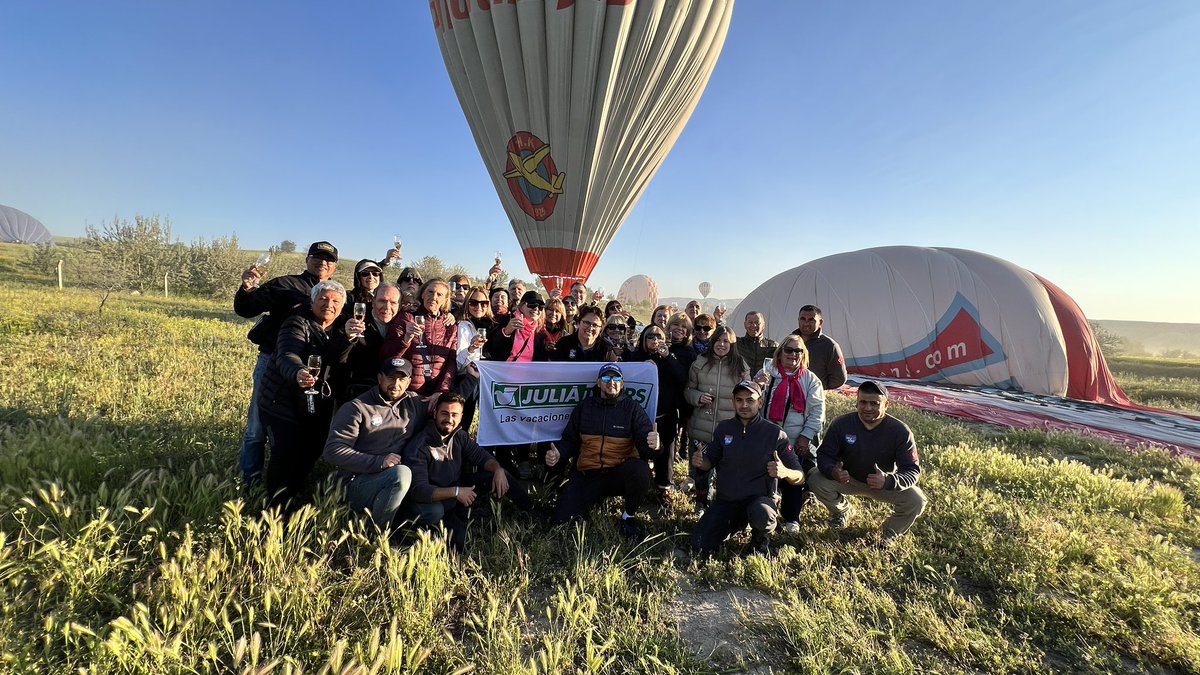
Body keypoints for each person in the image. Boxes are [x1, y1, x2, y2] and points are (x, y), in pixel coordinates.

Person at [234, 240, 338, 485]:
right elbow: (247, 309)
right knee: (257, 426)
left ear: (334, 266)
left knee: (300, 424)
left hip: (312, 369)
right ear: (307, 260)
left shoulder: (334, 293)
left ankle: (291, 479)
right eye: (317, 256)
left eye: (329, 259)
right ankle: (251, 480)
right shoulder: (285, 284)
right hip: (273, 362)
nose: (323, 262)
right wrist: (247, 289)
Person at [258, 280, 353, 507]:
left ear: (342, 306)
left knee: (312, 450)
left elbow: (335, 359)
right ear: (312, 301)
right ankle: (276, 507)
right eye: (323, 299)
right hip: (281, 401)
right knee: (285, 454)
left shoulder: (341, 327)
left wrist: (347, 339)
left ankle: (294, 493)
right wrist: (298, 372)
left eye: (335, 301)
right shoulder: (296, 323)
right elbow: (287, 355)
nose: (329, 305)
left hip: (316, 403)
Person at [402, 393, 534, 552]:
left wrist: (498, 469)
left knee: (500, 473)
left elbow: (481, 457)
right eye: (444, 413)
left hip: (457, 487)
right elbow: (419, 491)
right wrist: (456, 492)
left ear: (461, 416)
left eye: (454, 415)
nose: (449, 419)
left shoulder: (459, 435)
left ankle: (531, 510)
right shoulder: (420, 446)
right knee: (457, 541)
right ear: (435, 413)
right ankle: (429, 534)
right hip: (435, 499)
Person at [545, 363, 660, 538]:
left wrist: (656, 445)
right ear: (598, 383)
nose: (611, 382)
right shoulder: (584, 407)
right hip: (587, 474)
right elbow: (569, 439)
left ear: (622, 384)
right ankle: (592, 500)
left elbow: (647, 448)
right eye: (606, 378)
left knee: (641, 471)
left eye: (616, 378)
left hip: (617, 475)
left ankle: (628, 516)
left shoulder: (633, 409)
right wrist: (558, 454)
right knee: (559, 522)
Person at [690, 381, 803, 556]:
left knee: (762, 512)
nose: (744, 405)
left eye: (750, 400)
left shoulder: (775, 433)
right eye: (739, 400)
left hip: (758, 501)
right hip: (726, 501)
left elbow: (800, 476)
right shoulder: (724, 428)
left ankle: (760, 539)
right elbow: (709, 461)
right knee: (699, 544)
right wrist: (700, 461)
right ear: (733, 402)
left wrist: (785, 472)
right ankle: (732, 526)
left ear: (760, 403)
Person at [808, 381, 926, 545]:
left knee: (917, 500)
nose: (868, 408)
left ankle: (890, 532)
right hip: (849, 479)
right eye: (863, 402)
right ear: (856, 402)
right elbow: (824, 455)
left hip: (883, 484)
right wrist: (832, 471)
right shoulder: (841, 424)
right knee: (814, 478)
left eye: (874, 403)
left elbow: (912, 470)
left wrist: (889, 480)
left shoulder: (900, 431)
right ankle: (842, 511)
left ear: (887, 405)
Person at [323, 357, 427, 532]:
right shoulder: (357, 408)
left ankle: (391, 521)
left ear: (409, 382)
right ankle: (376, 535)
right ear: (380, 378)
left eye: (402, 379)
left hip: (393, 484)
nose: (396, 384)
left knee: (432, 513)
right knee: (401, 474)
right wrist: (378, 462)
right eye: (391, 378)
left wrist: (471, 379)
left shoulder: (415, 403)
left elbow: (449, 411)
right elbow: (332, 451)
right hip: (357, 483)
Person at [756, 335, 825, 534]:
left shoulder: (810, 379)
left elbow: (817, 411)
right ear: (780, 351)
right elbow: (751, 399)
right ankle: (766, 513)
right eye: (789, 350)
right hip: (767, 435)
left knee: (794, 478)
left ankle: (791, 517)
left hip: (795, 438)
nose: (793, 355)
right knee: (766, 476)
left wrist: (806, 436)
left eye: (798, 351)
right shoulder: (767, 373)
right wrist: (758, 384)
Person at [684, 325, 749, 511]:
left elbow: (748, 397)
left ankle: (722, 504)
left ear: (732, 344)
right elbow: (688, 390)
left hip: (729, 430)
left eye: (726, 341)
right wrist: (698, 397)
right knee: (701, 469)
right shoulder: (699, 363)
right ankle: (701, 502)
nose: (721, 345)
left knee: (726, 471)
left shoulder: (741, 367)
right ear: (712, 342)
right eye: (718, 340)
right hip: (701, 428)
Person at [626, 325, 688, 498]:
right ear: (643, 340)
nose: (654, 340)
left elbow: (682, 378)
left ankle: (664, 487)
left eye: (658, 336)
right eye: (650, 336)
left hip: (665, 414)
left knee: (666, 451)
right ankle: (639, 485)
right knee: (639, 451)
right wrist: (641, 368)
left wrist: (667, 357)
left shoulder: (669, 357)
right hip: (640, 415)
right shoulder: (635, 356)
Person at [382, 279, 458, 396]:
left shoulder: (450, 326)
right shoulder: (406, 318)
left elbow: (451, 364)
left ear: (445, 300)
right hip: (407, 394)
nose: (433, 297)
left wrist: (441, 392)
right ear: (422, 294)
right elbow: (387, 356)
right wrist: (406, 339)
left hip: (435, 395)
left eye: (439, 295)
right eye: (430, 292)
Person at [333, 282, 401, 404]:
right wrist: (347, 337)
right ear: (373, 301)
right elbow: (336, 358)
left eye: (393, 303)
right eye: (382, 301)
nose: (387, 307)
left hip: (390, 396)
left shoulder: (403, 324)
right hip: (357, 395)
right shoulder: (354, 320)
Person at [792, 305, 848, 390]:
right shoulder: (790, 342)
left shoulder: (829, 345)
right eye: (803, 319)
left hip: (815, 397)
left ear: (820, 322)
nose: (806, 323)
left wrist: (819, 389)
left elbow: (839, 378)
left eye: (811, 320)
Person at [484, 291, 548, 363]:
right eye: (532, 304)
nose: (536, 309)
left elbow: (541, 360)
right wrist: (505, 332)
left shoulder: (540, 331)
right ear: (521, 305)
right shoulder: (505, 320)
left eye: (540, 307)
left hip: (528, 372)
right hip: (503, 371)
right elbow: (490, 347)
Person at [549, 305, 619, 363]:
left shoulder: (607, 349)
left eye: (595, 325)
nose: (590, 328)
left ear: (601, 328)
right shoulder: (563, 344)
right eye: (587, 323)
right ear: (578, 323)